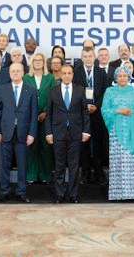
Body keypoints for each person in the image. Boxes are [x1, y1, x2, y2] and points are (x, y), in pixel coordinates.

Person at [101, 66, 134, 201]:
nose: (122, 78)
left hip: (132, 134)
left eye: (124, 76)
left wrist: (132, 112)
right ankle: (118, 194)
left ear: (128, 78)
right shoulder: (110, 92)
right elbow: (105, 110)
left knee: (132, 161)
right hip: (116, 132)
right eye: (119, 76)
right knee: (118, 161)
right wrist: (119, 111)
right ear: (116, 78)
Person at [45, 64, 90, 203]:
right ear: (60, 75)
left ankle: (73, 195)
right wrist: (48, 133)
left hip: (76, 133)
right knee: (59, 165)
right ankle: (59, 194)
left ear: (72, 75)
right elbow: (49, 113)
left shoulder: (80, 90)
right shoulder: (53, 91)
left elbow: (84, 111)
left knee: (74, 165)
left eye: (69, 73)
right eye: (64, 73)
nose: (66, 75)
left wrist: (86, 130)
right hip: (58, 133)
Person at [0, 62, 36, 203]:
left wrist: (32, 133)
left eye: (18, 71)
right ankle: (4, 192)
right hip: (5, 133)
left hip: (23, 133)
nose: (16, 73)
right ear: (9, 73)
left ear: (23, 73)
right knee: (4, 164)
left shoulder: (30, 90)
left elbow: (33, 113)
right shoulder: (2, 89)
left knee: (22, 164)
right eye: (13, 71)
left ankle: (21, 192)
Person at [74, 46, 109, 184]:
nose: (88, 59)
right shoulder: (76, 72)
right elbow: (75, 92)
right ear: (81, 58)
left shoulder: (101, 72)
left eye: (90, 56)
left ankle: (99, 172)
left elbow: (105, 92)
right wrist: (86, 106)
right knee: (84, 145)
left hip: (97, 113)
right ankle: (85, 173)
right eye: (85, 57)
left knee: (98, 144)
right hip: (82, 113)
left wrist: (96, 106)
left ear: (94, 57)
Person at [25, 53, 56, 184]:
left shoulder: (50, 77)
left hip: (46, 117)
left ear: (44, 63)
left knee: (46, 147)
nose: (38, 62)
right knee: (31, 146)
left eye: (40, 60)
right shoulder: (26, 77)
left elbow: (54, 97)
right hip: (29, 117)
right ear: (31, 63)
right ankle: (31, 175)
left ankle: (45, 176)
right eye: (35, 60)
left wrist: (45, 112)